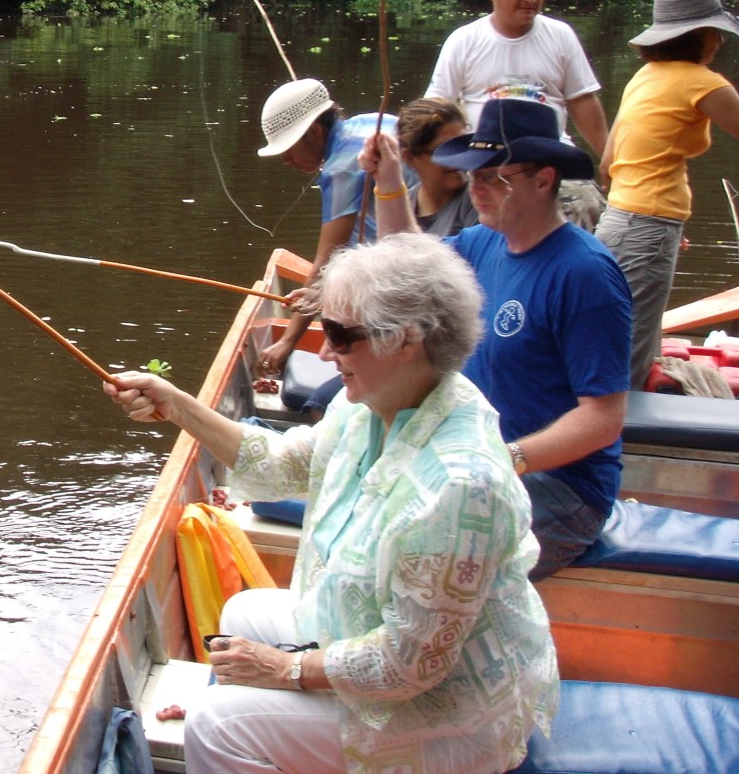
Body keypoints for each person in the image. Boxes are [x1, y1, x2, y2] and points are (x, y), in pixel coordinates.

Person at [105, 234, 558, 774]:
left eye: (341, 335)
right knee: (243, 613)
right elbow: (279, 464)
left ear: (406, 338)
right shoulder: (372, 401)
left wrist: (285, 671)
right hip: (399, 661)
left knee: (217, 723)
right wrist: (176, 404)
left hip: (453, 715)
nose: (323, 351)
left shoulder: (460, 487)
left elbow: (409, 664)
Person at [364, 98, 632, 578]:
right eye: (474, 174)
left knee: (421, 563)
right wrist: (388, 182)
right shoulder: (482, 241)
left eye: (495, 176)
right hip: (476, 465)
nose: (477, 187)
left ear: (544, 179)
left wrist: (507, 459)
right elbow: (404, 260)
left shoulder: (586, 274)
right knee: (368, 523)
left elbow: (603, 418)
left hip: (560, 487)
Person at [596, 0, 739, 389]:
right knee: (632, 356)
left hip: (618, 221)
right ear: (700, 35)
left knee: (616, 335)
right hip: (647, 227)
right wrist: (657, 224)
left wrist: (661, 223)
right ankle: (624, 442)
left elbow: (608, 163)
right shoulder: (703, 82)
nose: (720, 43)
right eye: (716, 33)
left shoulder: (645, 76)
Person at [425, 0, 608, 230]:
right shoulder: (464, 40)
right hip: (485, 158)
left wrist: (610, 159)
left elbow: (582, 101)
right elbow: (437, 108)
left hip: (550, 156)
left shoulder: (560, 36)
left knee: (588, 203)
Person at [253, 77, 411, 375]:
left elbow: (326, 259)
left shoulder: (341, 166)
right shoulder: (368, 123)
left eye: (289, 149)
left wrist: (288, 341)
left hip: (402, 272)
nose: (286, 160)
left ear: (314, 132)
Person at [396, 97, 478, 236]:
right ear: (409, 158)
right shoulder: (402, 206)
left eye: (463, 146)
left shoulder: (478, 198)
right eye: (444, 150)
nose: (458, 158)